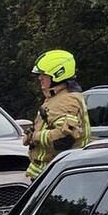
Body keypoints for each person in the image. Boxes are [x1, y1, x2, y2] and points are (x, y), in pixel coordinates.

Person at [24, 49, 91, 179]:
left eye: (44, 74)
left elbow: (64, 139)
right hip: (49, 171)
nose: (40, 77)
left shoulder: (67, 100)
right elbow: (49, 124)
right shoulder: (56, 96)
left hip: (53, 173)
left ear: (58, 74)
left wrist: (35, 137)